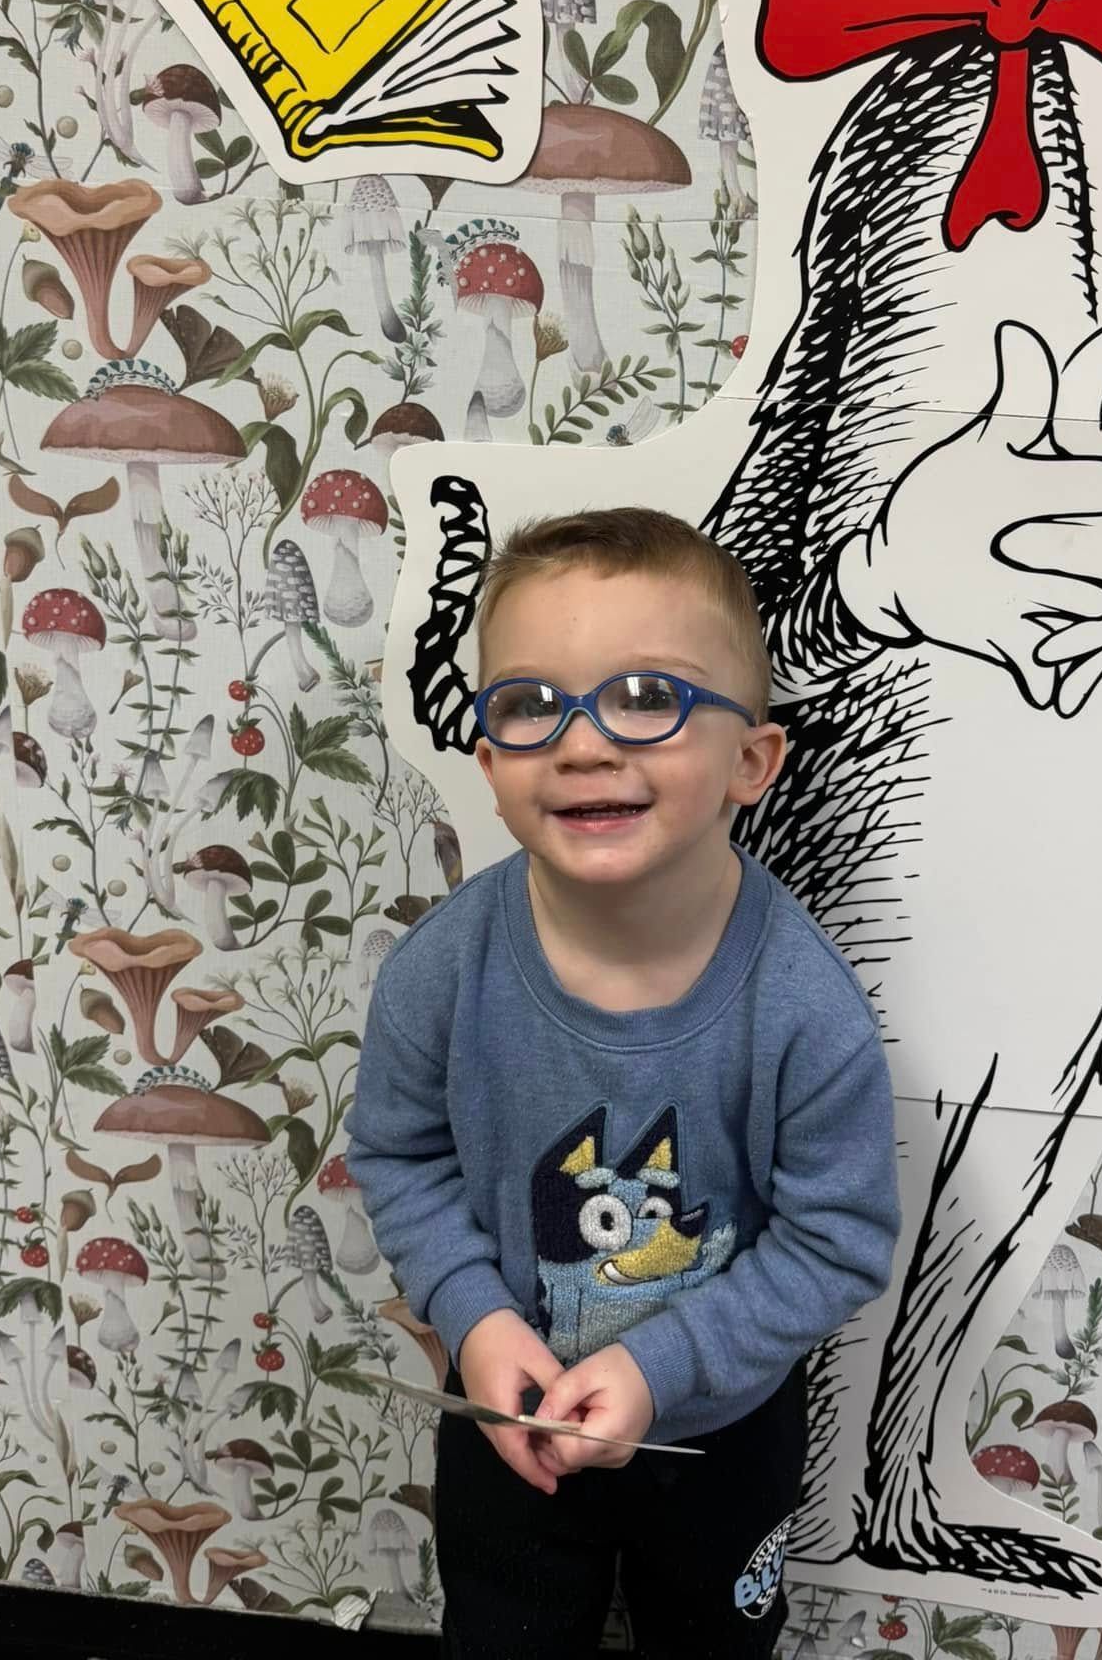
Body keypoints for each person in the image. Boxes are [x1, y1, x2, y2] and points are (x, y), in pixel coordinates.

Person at [347, 506, 900, 1659]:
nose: (586, 741)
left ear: (752, 760)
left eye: (650, 695)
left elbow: (837, 1238)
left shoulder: (805, 1006)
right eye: (532, 702)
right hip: (509, 1404)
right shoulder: (440, 970)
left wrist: (662, 1369)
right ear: (491, 761)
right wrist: (477, 1316)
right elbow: (400, 1155)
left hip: (720, 1434)